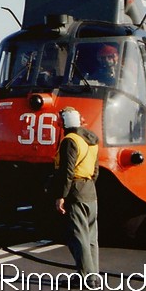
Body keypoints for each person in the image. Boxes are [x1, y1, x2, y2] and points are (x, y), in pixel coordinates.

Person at [52, 106, 99, 277]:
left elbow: (67, 172)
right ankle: (94, 275)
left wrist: (61, 196)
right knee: (91, 239)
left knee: (79, 238)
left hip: (76, 192)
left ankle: (86, 277)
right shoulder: (92, 140)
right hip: (90, 192)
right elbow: (95, 171)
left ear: (64, 121)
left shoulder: (70, 141)